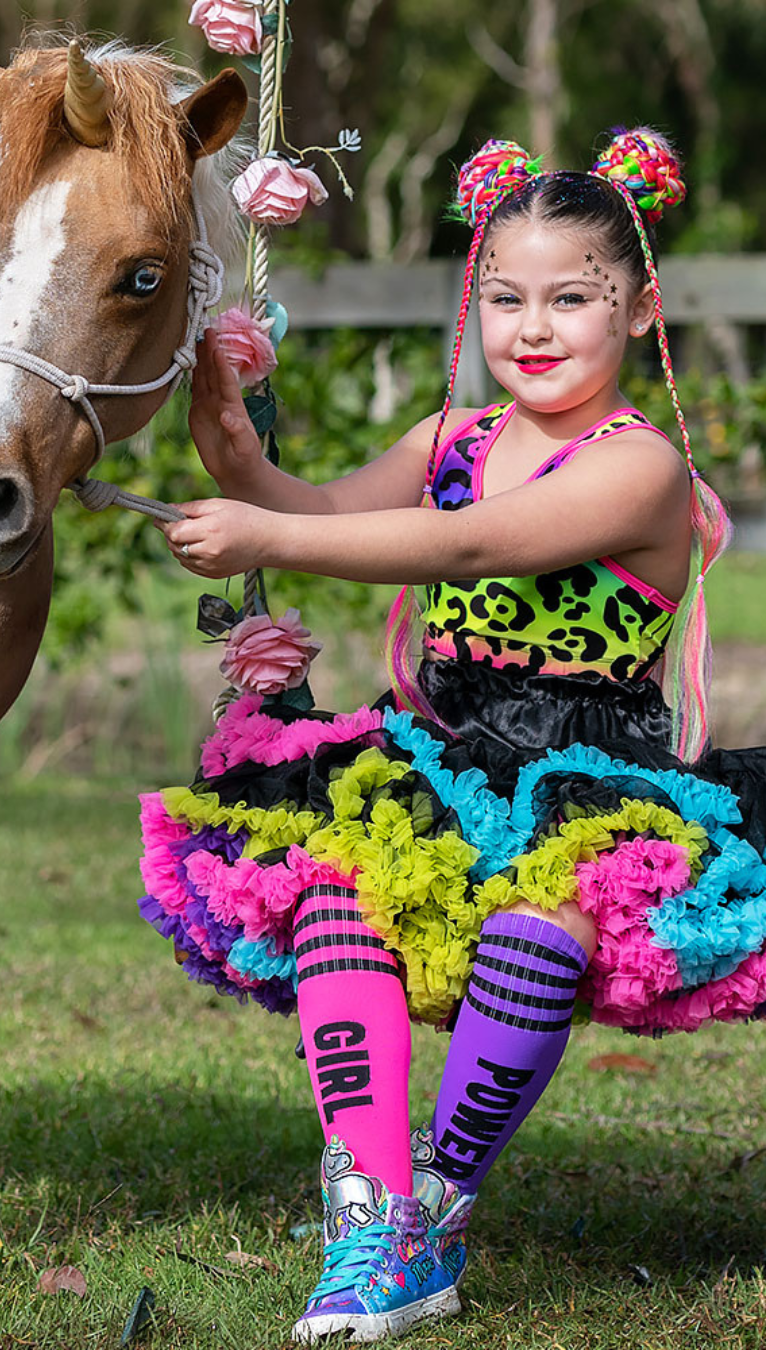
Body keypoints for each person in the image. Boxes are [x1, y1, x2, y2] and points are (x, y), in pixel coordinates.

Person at [136, 129, 766, 1343]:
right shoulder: (451, 443)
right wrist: (223, 420)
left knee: (542, 927)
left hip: (590, 775)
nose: (532, 328)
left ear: (640, 308)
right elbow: (299, 506)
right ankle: (366, 1212)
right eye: (504, 297)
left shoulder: (638, 466)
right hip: (441, 749)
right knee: (333, 889)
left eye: (572, 297)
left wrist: (269, 542)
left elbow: (469, 546)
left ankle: (437, 1206)